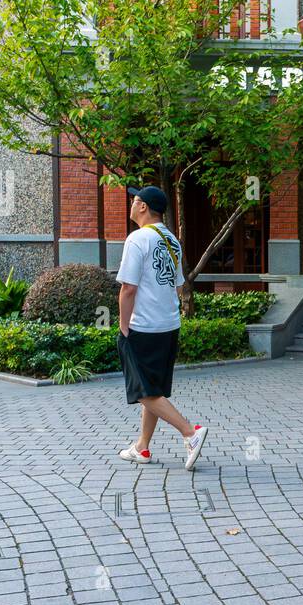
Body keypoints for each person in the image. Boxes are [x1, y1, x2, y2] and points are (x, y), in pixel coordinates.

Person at [114, 185, 209, 471]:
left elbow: (128, 288)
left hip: (143, 326)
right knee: (153, 388)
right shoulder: (172, 240)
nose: (131, 204)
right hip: (168, 325)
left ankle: (190, 433)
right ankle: (142, 447)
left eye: (134, 200)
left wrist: (123, 325)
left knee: (142, 390)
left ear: (143, 207)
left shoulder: (137, 239)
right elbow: (178, 285)